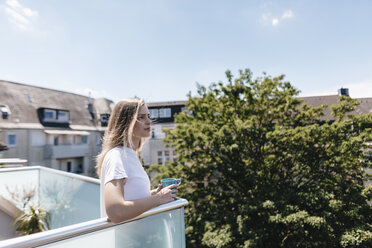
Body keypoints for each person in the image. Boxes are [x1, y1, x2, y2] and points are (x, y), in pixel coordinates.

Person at [96, 98, 178, 223]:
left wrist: (153, 195)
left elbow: (130, 197)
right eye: (141, 117)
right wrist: (159, 199)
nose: (149, 121)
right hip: (126, 241)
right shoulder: (117, 156)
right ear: (126, 123)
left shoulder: (129, 155)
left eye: (148, 116)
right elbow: (115, 211)